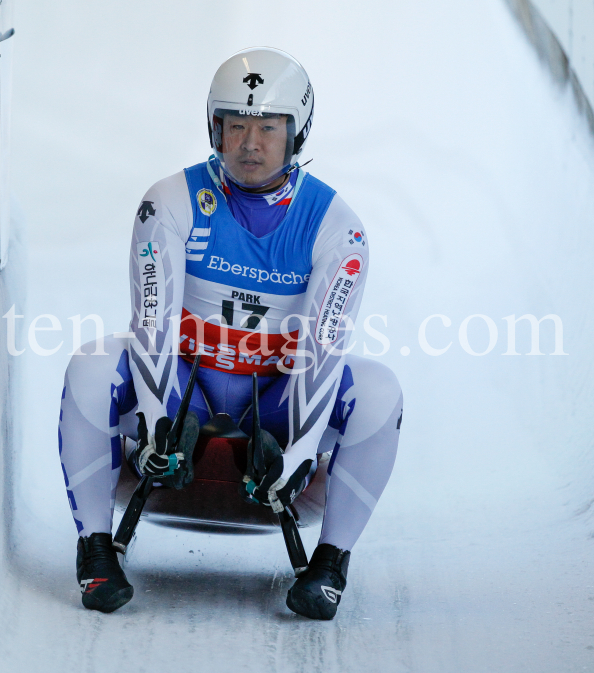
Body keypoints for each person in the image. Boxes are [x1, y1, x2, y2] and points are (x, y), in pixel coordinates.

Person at [59, 47, 403, 620]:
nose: (249, 143)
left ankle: (330, 563)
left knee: (380, 390)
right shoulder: (169, 200)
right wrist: (152, 421)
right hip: (180, 392)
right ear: (213, 128)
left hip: (278, 403)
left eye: (268, 128)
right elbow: (152, 317)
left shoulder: (339, 227)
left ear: (297, 132)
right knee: (91, 366)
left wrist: (298, 451)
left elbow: (323, 346)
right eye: (235, 125)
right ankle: (95, 549)